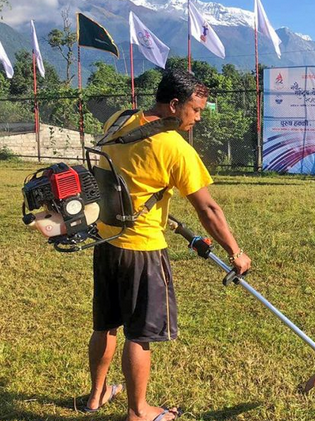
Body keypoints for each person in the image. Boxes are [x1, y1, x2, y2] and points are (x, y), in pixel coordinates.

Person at [85, 69, 251, 421]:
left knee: (106, 325)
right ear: (174, 105)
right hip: (142, 249)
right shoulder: (174, 147)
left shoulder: (120, 119)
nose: (199, 117)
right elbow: (208, 208)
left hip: (107, 240)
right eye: (195, 109)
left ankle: (95, 397)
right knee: (140, 335)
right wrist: (236, 252)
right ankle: (139, 411)